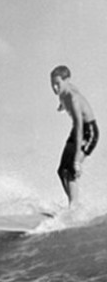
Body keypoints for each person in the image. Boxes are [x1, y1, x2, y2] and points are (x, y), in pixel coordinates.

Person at [50, 65, 99, 207]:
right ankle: (74, 204)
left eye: (57, 84)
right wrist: (61, 105)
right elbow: (63, 94)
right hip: (77, 131)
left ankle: (73, 207)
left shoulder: (73, 98)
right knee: (61, 171)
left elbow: (79, 128)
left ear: (67, 80)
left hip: (88, 132)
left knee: (71, 169)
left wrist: (77, 160)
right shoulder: (63, 91)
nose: (54, 88)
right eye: (52, 84)